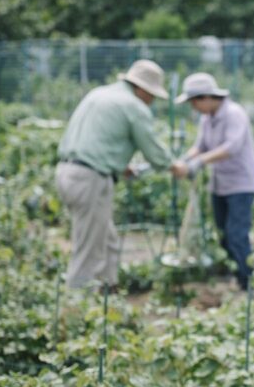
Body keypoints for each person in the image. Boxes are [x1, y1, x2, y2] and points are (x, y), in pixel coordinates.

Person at [56, 59, 188, 289]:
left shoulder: (99, 94)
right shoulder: (134, 106)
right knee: (88, 251)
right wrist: (173, 166)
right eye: (152, 95)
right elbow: (153, 150)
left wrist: (118, 164)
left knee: (108, 242)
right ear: (142, 89)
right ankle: (75, 304)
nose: (153, 100)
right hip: (90, 179)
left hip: (68, 171)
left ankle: (109, 290)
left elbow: (94, 136)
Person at [176, 72, 254, 291]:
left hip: (241, 184)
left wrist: (200, 162)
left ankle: (248, 282)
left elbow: (230, 147)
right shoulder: (207, 118)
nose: (193, 107)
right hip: (220, 184)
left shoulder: (234, 114)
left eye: (194, 102)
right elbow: (200, 146)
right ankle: (238, 273)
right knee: (223, 233)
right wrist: (185, 160)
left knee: (236, 234)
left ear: (206, 97)